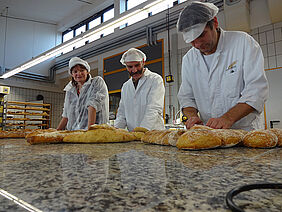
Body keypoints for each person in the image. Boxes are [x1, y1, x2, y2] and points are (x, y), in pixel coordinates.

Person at [177, 1, 268, 131]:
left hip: (244, 133)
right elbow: (187, 97)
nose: (197, 45)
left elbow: (256, 90)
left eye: (201, 35)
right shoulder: (189, 59)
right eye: (192, 41)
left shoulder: (242, 43)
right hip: (209, 135)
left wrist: (228, 118)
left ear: (214, 22)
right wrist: (192, 116)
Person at [114, 48, 165, 131]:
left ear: (143, 62)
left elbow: (154, 108)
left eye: (137, 65)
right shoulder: (126, 86)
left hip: (152, 132)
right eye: (130, 67)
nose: (134, 70)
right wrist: (116, 130)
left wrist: (141, 130)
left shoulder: (155, 79)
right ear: (126, 66)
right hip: (134, 134)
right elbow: (122, 113)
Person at [57, 57, 109, 130]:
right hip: (74, 134)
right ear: (72, 74)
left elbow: (92, 106)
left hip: (96, 132)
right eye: (75, 71)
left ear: (87, 71)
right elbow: (66, 115)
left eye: (82, 70)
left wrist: (89, 132)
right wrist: (56, 132)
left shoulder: (96, 82)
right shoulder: (70, 90)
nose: (79, 74)